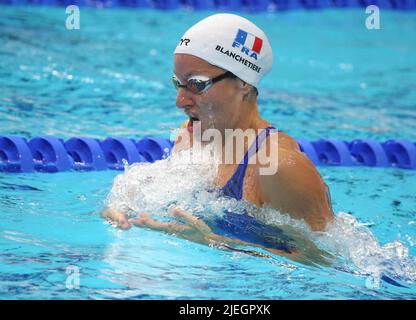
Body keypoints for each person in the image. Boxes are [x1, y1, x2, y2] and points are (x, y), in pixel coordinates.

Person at [102, 14, 333, 264]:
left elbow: (323, 262)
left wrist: (216, 242)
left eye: (196, 85)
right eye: (177, 84)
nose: (180, 101)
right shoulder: (191, 136)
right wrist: (122, 210)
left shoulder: (279, 167)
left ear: (243, 83)